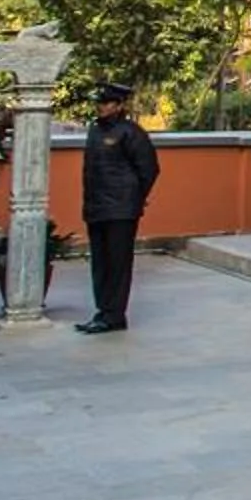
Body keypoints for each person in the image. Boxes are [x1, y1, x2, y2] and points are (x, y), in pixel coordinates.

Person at [77, 82, 159, 334]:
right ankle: (103, 311)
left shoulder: (131, 132)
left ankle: (114, 315)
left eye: (108, 103)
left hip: (121, 210)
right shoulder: (94, 131)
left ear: (120, 105)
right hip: (97, 206)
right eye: (100, 103)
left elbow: (149, 170)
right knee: (100, 262)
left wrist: (133, 197)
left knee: (118, 262)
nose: (102, 107)